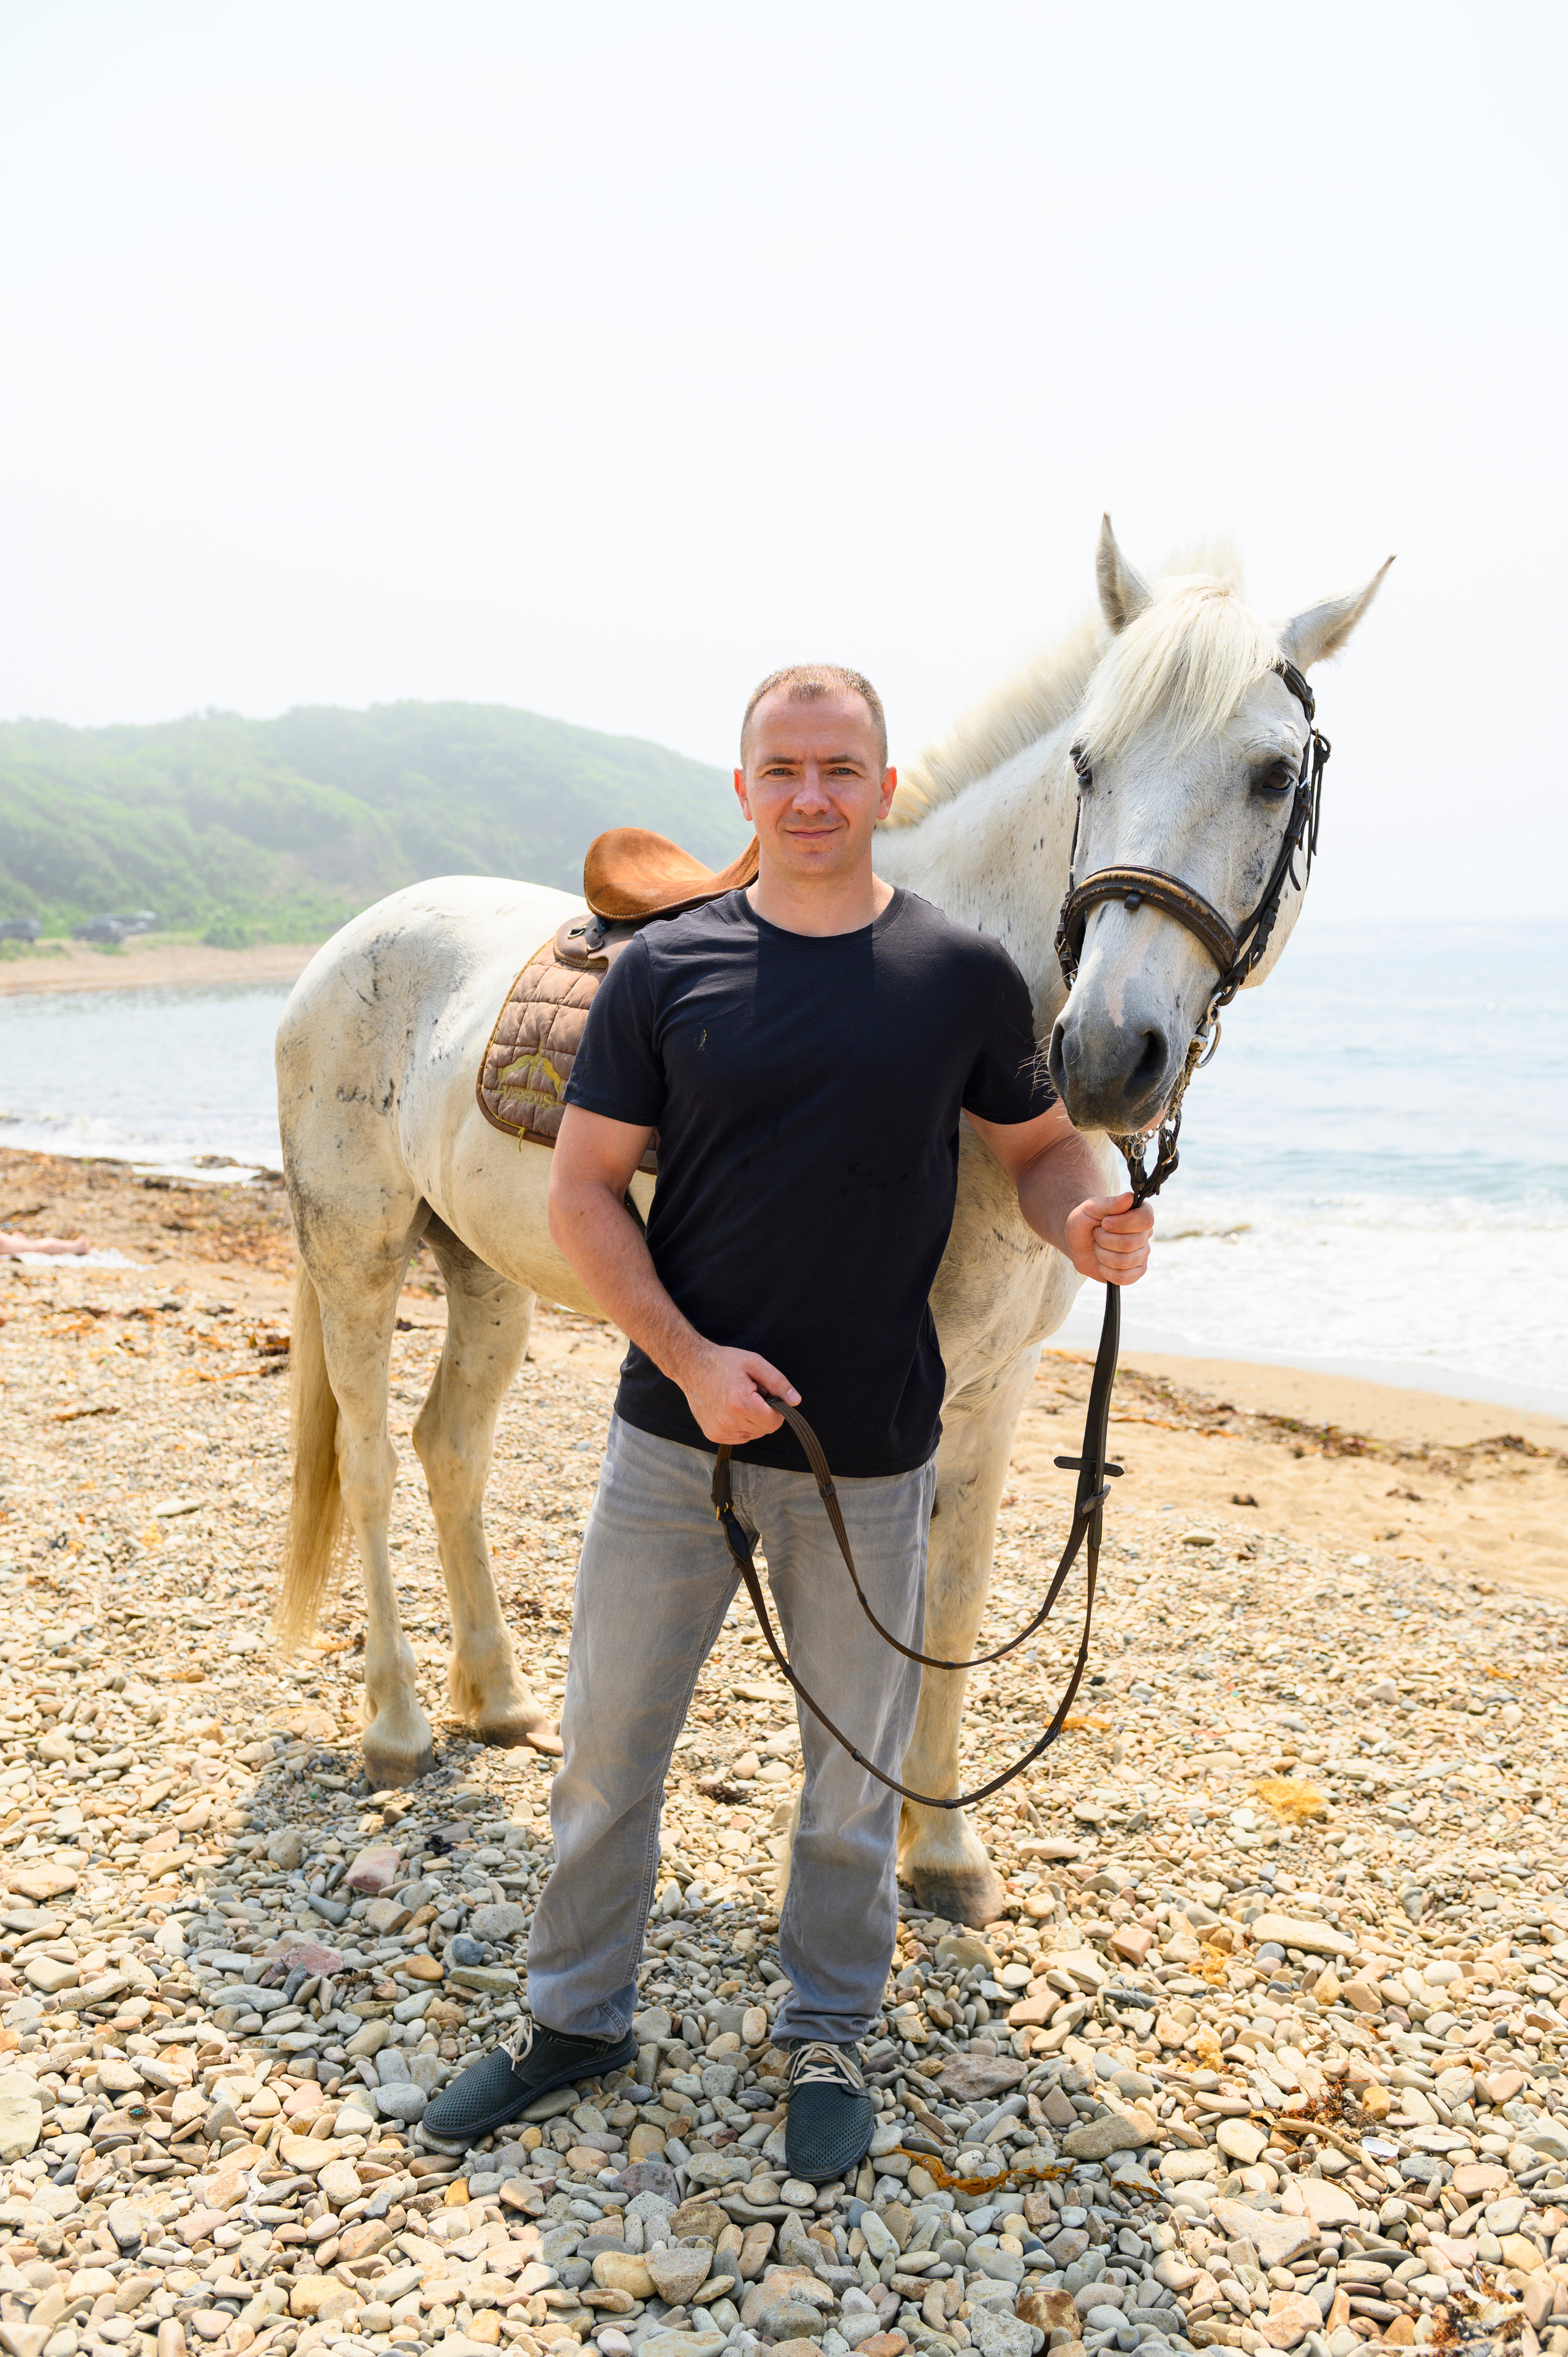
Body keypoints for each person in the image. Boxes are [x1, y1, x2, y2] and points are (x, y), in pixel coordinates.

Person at [424, 665, 1154, 2175]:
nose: (812, 795)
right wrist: (688, 1358)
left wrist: (1085, 1219)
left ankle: (825, 2029)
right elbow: (578, 1194)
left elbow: (1035, 1150)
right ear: (745, 794)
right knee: (608, 1750)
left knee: (853, 1778)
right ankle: (573, 2018)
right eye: (783, 770)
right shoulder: (660, 970)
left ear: (883, 790)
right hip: (668, 1437)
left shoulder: (959, 976)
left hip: (873, 1448)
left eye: (841, 768)